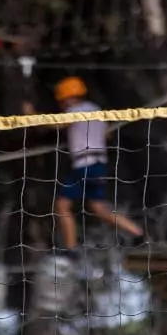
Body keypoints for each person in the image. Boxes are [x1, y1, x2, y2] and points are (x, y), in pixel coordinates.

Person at [52, 77, 143, 250]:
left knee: (63, 205)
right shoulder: (96, 110)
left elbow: (55, 125)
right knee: (98, 207)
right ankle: (138, 233)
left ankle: (71, 249)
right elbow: (107, 135)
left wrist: (31, 116)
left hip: (83, 164)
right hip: (98, 163)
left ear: (67, 98)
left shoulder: (74, 111)